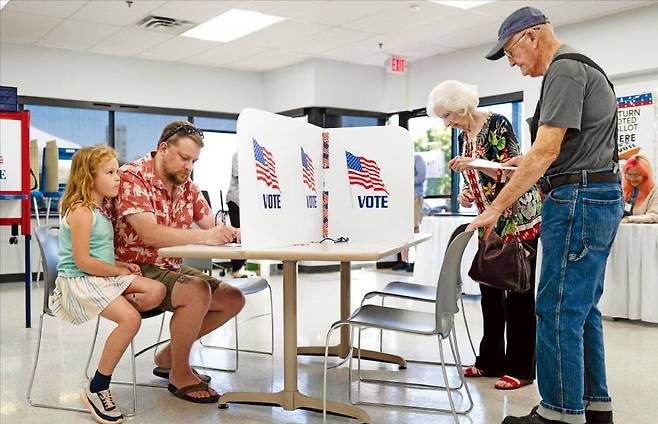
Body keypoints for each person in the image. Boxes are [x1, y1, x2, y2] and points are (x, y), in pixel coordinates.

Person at [473, 7, 623, 424]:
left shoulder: (565, 70)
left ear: (532, 37)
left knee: (555, 310)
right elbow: (549, 152)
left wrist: (496, 207)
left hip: (577, 199)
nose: (512, 63)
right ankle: (594, 408)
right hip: (594, 195)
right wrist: (507, 167)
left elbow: (546, 152)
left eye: (510, 52)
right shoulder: (579, 68)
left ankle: (557, 414)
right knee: (580, 310)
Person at [113, 121, 245, 404]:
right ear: (163, 149)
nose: (188, 166)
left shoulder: (188, 187)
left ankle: (170, 355)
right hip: (134, 268)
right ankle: (180, 373)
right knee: (197, 290)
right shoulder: (132, 177)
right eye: (184, 158)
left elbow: (212, 225)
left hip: (168, 267)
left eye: (194, 161)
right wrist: (207, 237)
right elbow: (149, 234)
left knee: (233, 298)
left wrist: (233, 233)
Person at [427, 80, 542, 391]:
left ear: (462, 107)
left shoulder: (497, 124)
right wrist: (467, 192)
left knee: (518, 293)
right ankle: (490, 360)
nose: (446, 123)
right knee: (490, 292)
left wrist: (473, 164)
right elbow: (481, 179)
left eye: (448, 116)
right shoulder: (466, 135)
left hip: (516, 219)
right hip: (488, 221)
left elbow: (514, 172)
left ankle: (521, 368)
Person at [49, 145, 166, 424]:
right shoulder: (81, 212)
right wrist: (116, 270)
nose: (118, 178)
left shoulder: (100, 209)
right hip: (79, 281)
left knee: (157, 290)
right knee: (131, 321)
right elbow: (83, 261)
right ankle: (98, 386)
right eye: (110, 172)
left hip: (101, 277)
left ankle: (124, 312)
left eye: (117, 171)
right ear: (89, 177)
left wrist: (120, 267)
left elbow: (99, 251)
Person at [393, 154, 427, 272]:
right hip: (402, 199)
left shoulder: (417, 158)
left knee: (414, 228)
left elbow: (421, 177)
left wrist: (405, 181)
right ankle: (404, 261)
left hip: (414, 197)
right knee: (403, 229)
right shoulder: (399, 160)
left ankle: (419, 261)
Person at [225, 150, 256, 277]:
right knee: (238, 233)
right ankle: (236, 269)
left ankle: (241, 267)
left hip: (246, 202)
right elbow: (242, 176)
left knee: (246, 235)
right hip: (236, 200)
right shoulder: (238, 155)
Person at [621, 154, 658, 223]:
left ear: (646, 176)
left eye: (636, 175)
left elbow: (654, 215)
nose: (632, 179)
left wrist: (629, 219)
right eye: (629, 174)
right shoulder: (624, 191)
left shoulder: (655, 192)